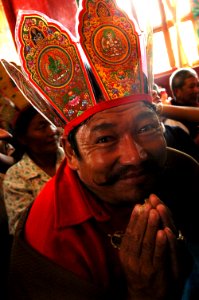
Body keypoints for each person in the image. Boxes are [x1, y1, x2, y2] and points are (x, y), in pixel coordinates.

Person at [4, 2, 199, 299]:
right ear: (69, 152)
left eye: (146, 128)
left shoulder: (182, 170)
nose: (135, 156)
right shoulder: (47, 240)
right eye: (105, 139)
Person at [3, 105, 64, 235]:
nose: (52, 131)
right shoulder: (17, 176)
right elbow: (20, 229)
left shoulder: (74, 158)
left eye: (52, 123)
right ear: (23, 139)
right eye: (42, 127)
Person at [164, 68, 199, 145]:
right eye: (191, 87)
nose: (197, 90)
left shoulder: (194, 103)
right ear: (177, 92)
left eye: (197, 85)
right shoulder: (173, 121)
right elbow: (187, 153)